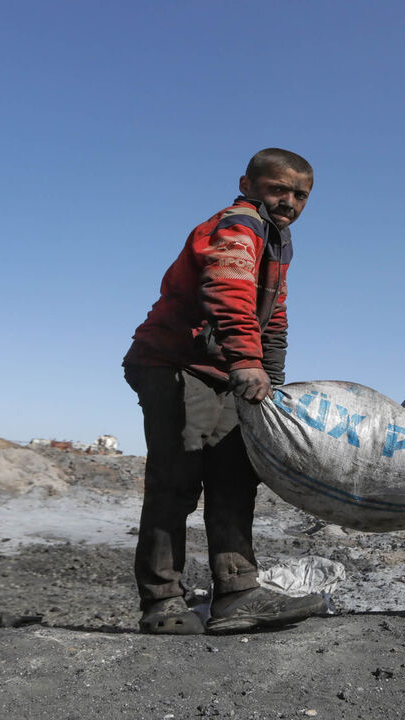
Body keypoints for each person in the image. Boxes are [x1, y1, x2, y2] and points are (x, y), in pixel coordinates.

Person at [121, 148, 326, 635]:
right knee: (177, 482)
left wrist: (271, 383)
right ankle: (161, 602)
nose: (290, 201)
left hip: (223, 369)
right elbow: (228, 290)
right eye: (279, 189)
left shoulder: (278, 241)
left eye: (300, 195)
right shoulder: (239, 224)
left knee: (235, 477)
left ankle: (237, 593)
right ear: (248, 184)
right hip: (175, 364)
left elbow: (272, 315)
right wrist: (247, 361)